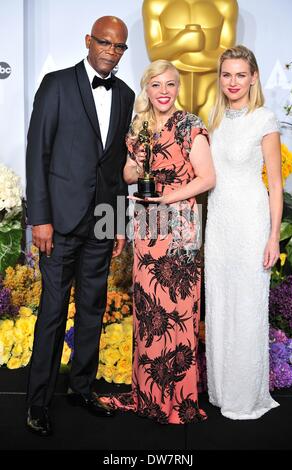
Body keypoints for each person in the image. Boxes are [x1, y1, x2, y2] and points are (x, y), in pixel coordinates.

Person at [25, 16, 135, 436]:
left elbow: (119, 167)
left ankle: (82, 389)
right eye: (104, 42)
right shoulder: (56, 84)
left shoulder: (125, 95)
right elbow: (38, 153)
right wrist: (42, 218)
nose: (110, 50)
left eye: (119, 46)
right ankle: (37, 403)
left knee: (92, 307)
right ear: (89, 41)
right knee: (52, 311)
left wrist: (120, 222)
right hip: (60, 222)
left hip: (103, 223)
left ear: (123, 51)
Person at [100, 59, 215, 424]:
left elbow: (208, 178)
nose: (163, 91)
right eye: (156, 85)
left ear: (177, 87)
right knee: (150, 312)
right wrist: (135, 167)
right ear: (146, 89)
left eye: (169, 84)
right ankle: (148, 396)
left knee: (178, 312)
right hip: (148, 223)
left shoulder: (189, 125)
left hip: (179, 221)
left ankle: (178, 402)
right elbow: (129, 173)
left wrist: (169, 196)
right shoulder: (140, 127)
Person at [205, 45, 283, 419]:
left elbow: (276, 185)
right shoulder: (214, 118)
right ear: (219, 79)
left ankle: (245, 396)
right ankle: (222, 391)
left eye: (240, 74)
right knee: (220, 304)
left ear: (253, 77)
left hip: (251, 222)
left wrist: (273, 238)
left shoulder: (264, 119)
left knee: (247, 306)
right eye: (226, 74)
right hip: (218, 222)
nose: (233, 82)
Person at [142, 0, 238, 122]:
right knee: (168, 139)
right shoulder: (155, 4)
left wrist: (184, 56)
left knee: (214, 139)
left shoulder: (225, 4)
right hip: (170, 88)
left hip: (211, 86)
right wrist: (180, 43)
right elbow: (153, 54)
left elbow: (228, 57)